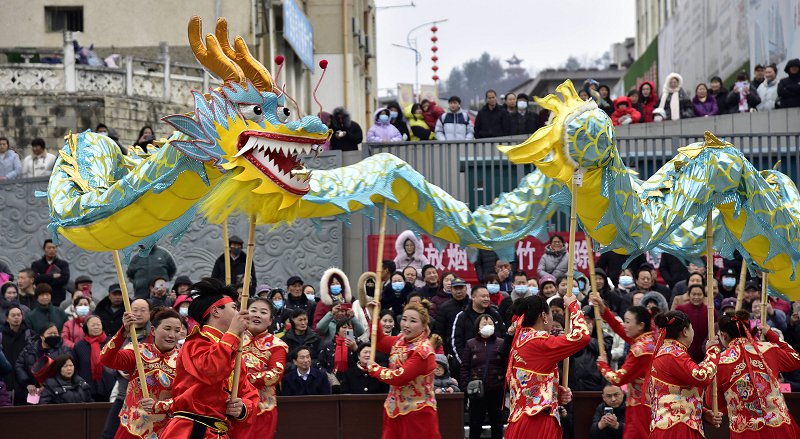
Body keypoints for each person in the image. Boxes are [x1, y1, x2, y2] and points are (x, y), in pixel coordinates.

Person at [159, 278, 259, 438]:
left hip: (219, 432)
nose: (239, 312)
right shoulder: (196, 342)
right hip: (191, 429)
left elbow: (249, 392)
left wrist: (242, 408)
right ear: (216, 311)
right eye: (234, 307)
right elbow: (211, 370)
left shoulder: (235, 350)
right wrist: (232, 333)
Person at [504, 293, 590, 438]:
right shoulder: (539, 342)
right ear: (543, 316)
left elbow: (529, 379)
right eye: (550, 314)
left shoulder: (520, 339)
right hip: (536, 422)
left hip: (519, 421)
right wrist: (573, 306)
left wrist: (553, 391)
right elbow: (582, 336)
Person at [710, 310, 800, 437]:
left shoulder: (718, 362)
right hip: (780, 427)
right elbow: (796, 359)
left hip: (746, 431)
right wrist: (770, 334)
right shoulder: (769, 349)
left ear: (723, 335)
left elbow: (714, 404)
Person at [101, 308, 182, 438]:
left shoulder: (184, 360)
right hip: (132, 429)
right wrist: (123, 332)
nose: (172, 335)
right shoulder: (139, 352)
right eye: (167, 329)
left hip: (167, 432)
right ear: (153, 330)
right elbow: (106, 359)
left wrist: (158, 406)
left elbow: (187, 399)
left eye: (177, 331)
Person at [366, 300, 441, 439]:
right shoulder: (400, 340)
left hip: (417, 414)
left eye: (413, 321)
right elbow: (380, 341)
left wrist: (375, 369)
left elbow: (399, 377)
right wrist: (374, 316)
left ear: (424, 326)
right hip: (394, 410)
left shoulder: (423, 351)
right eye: (404, 319)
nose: (406, 324)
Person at [591, 295, 656, 438]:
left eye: (627, 322)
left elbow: (618, 379)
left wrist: (602, 365)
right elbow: (621, 330)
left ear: (641, 325)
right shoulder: (650, 338)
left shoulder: (640, 351)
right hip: (650, 403)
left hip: (641, 407)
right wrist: (604, 311)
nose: (625, 325)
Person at [649, 310, 721, 438]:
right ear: (685, 331)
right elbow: (702, 377)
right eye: (691, 327)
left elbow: (674, 393)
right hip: (678, 428)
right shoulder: (674, 355)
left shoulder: (666, 352)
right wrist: (712, 351)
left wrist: (702, 413)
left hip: (671, 426)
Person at [229, 298, 288, 439]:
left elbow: (275, 375)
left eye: (263, 312)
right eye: (253, 310)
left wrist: (241, 378)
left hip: (262, 409)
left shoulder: (277, 345)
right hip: (232, 406)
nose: (257, 315)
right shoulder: (232, 338)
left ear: (270, 320)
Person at [460, 314, 505, 439]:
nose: (488, 326)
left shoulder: (501, 343)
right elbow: (465, 367)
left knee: (497, 423)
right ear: (478, 327)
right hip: (477, 391)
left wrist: (504, 386)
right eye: (484, 324)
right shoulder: (470, 344)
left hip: (496, 389)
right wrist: (466, 387)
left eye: (490, 323)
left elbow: (506, 365)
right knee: (475, 423)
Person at [451, 286, 506, 372]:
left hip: (494, 367)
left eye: (488, 296)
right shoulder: (462, 316)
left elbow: (503, 337)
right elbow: (456, 343)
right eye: (483, 296)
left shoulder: (495, 314)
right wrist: (465, 365)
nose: (486, 299)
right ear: (473, 297)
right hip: (470, 368)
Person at [14, 323, 70, 400]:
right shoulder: (29, 349)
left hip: (56, 393)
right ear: (41, 336)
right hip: (31, 393)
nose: (53, 336)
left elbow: (68, 369)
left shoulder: (64, 350)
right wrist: (27, 383)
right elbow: (19, 365)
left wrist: (49, 384)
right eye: (50, 333)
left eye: (55, 333)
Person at [72, 314, 114, 402]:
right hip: (87, 387)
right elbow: (75, 367)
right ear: (86, 328)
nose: (96, 327)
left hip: (110, 386)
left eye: (98, 325)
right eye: (92, 325)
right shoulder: (79, 346)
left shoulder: (111, 343)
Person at [676, 284, 719, 363]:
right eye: (693, 294)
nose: (696, 297)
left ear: (703, 295)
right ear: (689, 295)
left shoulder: (710, 311)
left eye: (699, 294)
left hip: (704, 350)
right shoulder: (680, 309)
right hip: (684, 351)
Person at [31, 239, 71, 305]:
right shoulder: (36, 264)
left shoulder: (63, 264)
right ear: (44, 249)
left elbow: (64, 279)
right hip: (41, 297)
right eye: (49, 248)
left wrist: (43, 279)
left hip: (58, 298)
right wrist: (52, 276)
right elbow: (35, 279)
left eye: (53, 247)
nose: (51, 250)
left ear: (56, 249)